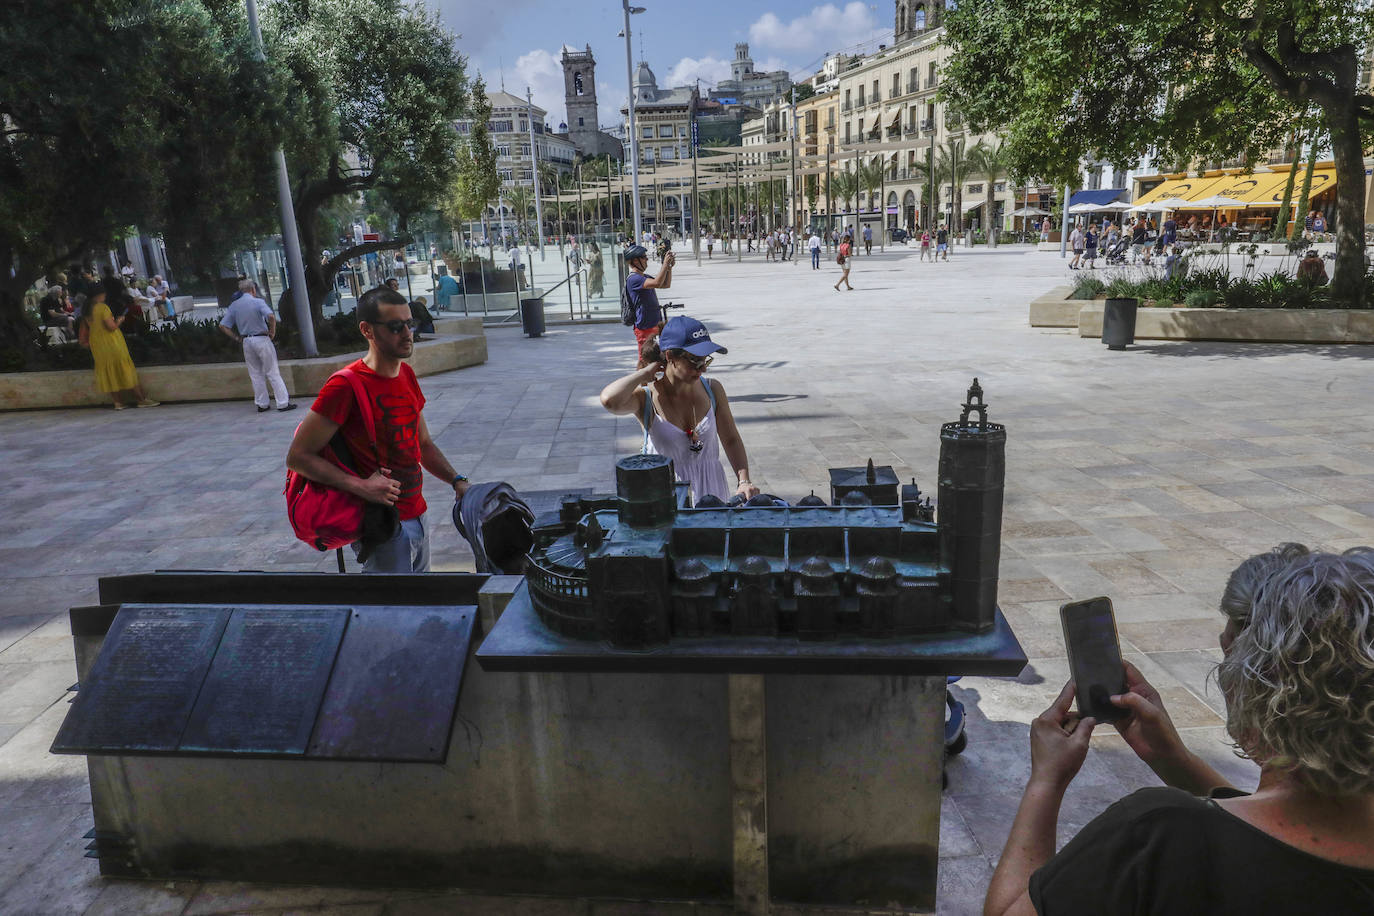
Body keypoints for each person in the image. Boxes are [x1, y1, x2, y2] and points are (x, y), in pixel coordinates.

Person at [983, 546, 1374, 915]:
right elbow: (1271, 839)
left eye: (1230, 656)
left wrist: (1045, 783)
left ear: (1262, 681)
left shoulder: (1158, 835)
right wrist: (1172, 758)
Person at [286, 285, 470, 573]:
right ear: (367, 330)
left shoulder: (406, 374)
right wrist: (361, 487)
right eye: (396, 326)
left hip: (418, 514)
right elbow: (298, 456)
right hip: (382, 525)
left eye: (410, 324)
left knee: (421, 607)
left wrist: (457, 480)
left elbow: (422, 444)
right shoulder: (344, 386)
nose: (408, 334)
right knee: (392, 613)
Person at [599, 315, 759, 505]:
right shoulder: (646, 399)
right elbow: (609, 400)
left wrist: (744, 481)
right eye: (694, 361)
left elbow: (731, 439)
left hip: (713, 491)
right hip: (667, 498)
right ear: (670, 357)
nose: (702, 369)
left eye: (705, 361)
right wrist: (644, 373)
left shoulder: (713, 389)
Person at [219, 279, 294, 413]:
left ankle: (262, 404)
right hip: (262, 338)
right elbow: (270, 316)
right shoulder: (258, 302)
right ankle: (282, 403)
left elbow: (223, 325)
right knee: (272, 371)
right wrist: (272, 331)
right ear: (253, 289)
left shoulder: (234, 305)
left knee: (255, 374)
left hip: (246, 341)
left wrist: (236, 337)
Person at [80, 288, 158, 410]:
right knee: (125, 368)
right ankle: (140, 399)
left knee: (109, 372)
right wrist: (119, 321)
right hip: (111, 342)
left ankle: (118, 402)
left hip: (97, 345)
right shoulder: (102, 308)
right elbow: (111, 327)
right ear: (98, 295)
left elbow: (85, 331)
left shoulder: (86, 311)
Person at [625, 244, 674, 359]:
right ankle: (641, 377)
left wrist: (669, 268)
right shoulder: (634, 279)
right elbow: (657, 282)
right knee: (645, 360)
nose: (647, 259)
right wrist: (664, 264)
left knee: (659, 358)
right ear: (635, 261)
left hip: (654, 323)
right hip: (645, 326)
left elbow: (665, 284)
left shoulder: (643, 276)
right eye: (644, 257)